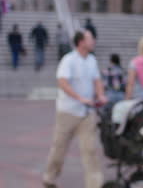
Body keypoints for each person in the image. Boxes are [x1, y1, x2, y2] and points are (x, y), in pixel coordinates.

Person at [43, 30, 107, 188]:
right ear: (81, 42)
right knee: (59, 148)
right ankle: (49, 178)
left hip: (87, 113)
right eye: (90, 38)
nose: (93, 41)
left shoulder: (92, 60)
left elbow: (97, 80)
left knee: (90, 150)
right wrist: (80, 98)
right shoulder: (68, 60)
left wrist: (100, 95)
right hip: (67, 112)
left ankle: (95, 184)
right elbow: (63, 82)